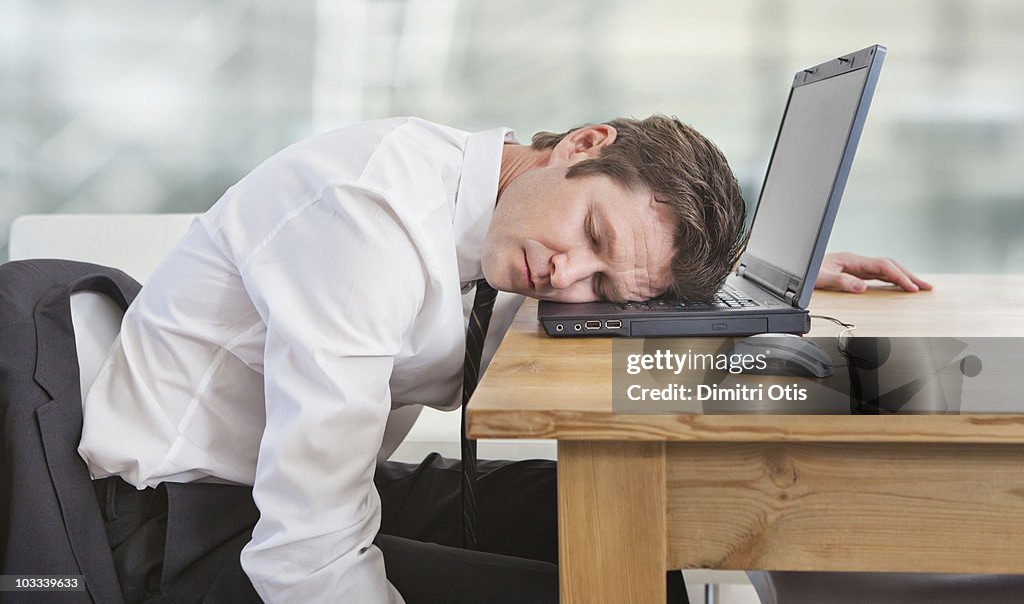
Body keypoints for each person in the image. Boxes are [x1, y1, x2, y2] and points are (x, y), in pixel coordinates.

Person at [74, 115, 928, 603]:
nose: (569, 277)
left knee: (644, 517)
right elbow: (302, 553)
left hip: (301, 486)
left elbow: (612, 262)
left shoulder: (507, 211)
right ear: (584, 143)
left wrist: (748, 282)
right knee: (621, 586)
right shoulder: (368, 215)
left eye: (607, 286)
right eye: (590, 236)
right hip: (185, 529)